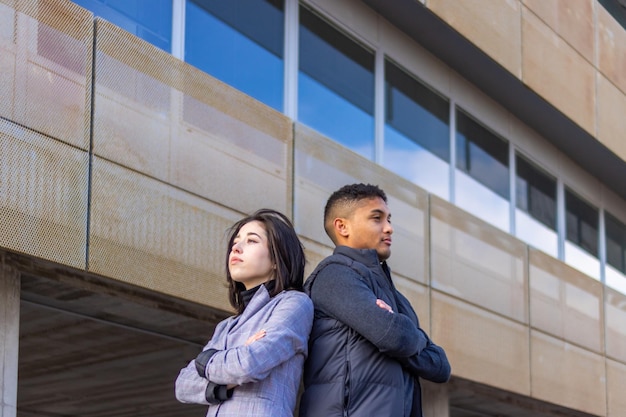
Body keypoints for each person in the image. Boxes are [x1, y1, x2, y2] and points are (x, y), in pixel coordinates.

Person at [299, 183, 451, 417]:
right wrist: (408, 335)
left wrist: (402, 331)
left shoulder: (395, 296)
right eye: (377, 218)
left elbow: (440, 366)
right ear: (342, 226)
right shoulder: (335, 275)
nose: (389, 228)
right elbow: (395, 337)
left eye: (389, 219)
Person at [175, 208, 314, 417]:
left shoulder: (294, 304)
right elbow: (183, 385)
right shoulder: (226, 326)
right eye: (235, 242)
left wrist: (206, 360)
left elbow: (249, 364)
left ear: (277, 259)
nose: (236, 248)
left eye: (251, 241)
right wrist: (224, 381)